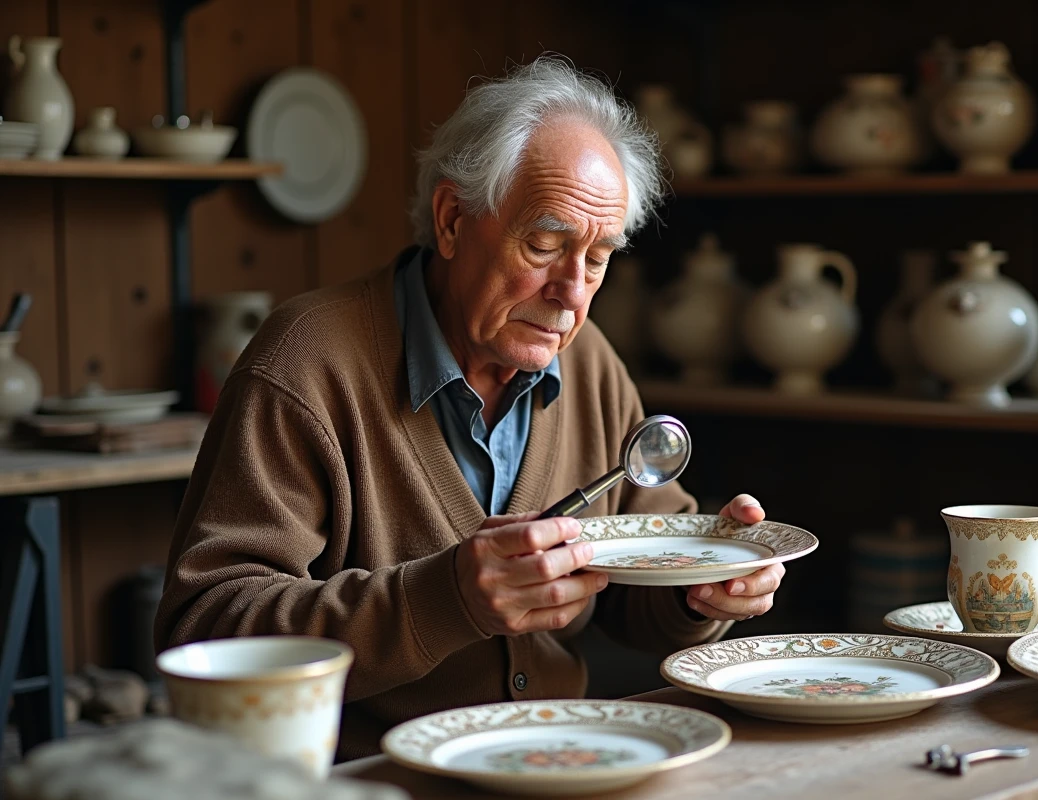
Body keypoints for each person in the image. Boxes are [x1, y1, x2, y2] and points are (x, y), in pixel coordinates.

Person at [154, 56, 785, 760]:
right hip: (372, 777)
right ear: (452, 220)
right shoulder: (305, 364)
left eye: (599, 258)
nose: (572, 292)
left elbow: (636, 577)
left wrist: (701, 591)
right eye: (544, 245)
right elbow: (201, 630)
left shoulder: (588, 361)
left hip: (561, 763)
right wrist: (441, 599)